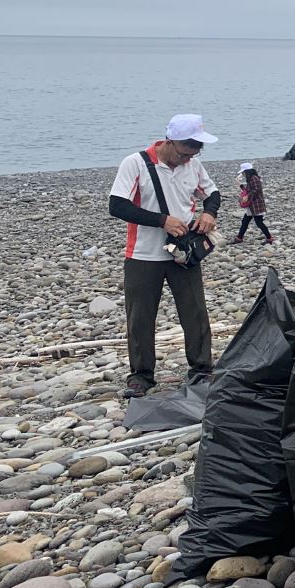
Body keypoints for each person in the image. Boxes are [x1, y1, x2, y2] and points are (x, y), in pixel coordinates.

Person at [108, 114, 221, 397]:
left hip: (183, 253)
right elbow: (117, 206)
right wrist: (162, 221)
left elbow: (212, 192)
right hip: (143, 254)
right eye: (184, 153)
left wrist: (209, 213)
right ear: (170, 142)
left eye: (195, 153)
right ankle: (141, 376)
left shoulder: (193, 163)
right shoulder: (135, 164)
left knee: (195, 312)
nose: (188, 159)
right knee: (140, 317)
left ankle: (202, 370)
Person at [233, 162, 273, 244]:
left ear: (246, 171)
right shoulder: (251, 178)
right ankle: (239, 237)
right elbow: (249, 190)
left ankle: (269, 238)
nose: (243, 174)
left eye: (243, 172)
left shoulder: (254, 178)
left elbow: (256, 189)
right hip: (252, 205)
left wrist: (247, 197)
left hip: (256, 205)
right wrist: (240, 185)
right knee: (245, 221)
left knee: (258, 222)